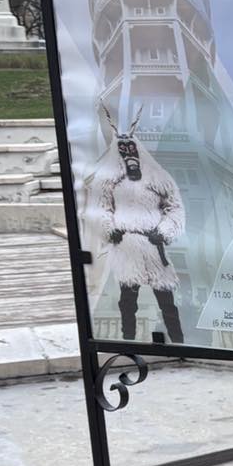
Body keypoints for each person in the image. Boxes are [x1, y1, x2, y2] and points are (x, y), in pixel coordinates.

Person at [84, 110, 187, 343]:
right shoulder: (108, 180)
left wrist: (163, 231)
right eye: (123, 149)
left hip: (152, 244)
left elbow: (175, 206)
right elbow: (101, 207)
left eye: (131, 147)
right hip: (127, 245)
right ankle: (128, 341)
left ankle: (178, 341)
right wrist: (110, 230)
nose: (128, 152)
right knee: (127, 300)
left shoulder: (157, 177)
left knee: (166, 300)